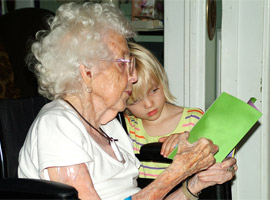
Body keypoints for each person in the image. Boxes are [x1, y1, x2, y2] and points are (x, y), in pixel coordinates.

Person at [18, 2, 234, 200]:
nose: (133, 76)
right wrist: (177, 172)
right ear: (87, 73)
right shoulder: (57, 126)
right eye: (123, 63)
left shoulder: (110, 126)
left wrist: (195, 183)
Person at [125, 42, 237, 196]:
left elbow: (223, 156)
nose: (149, 104)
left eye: (154, 90)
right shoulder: (127, 128)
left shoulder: (193, 119)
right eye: (136, 100)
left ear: (162, 80)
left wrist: (190, 142)